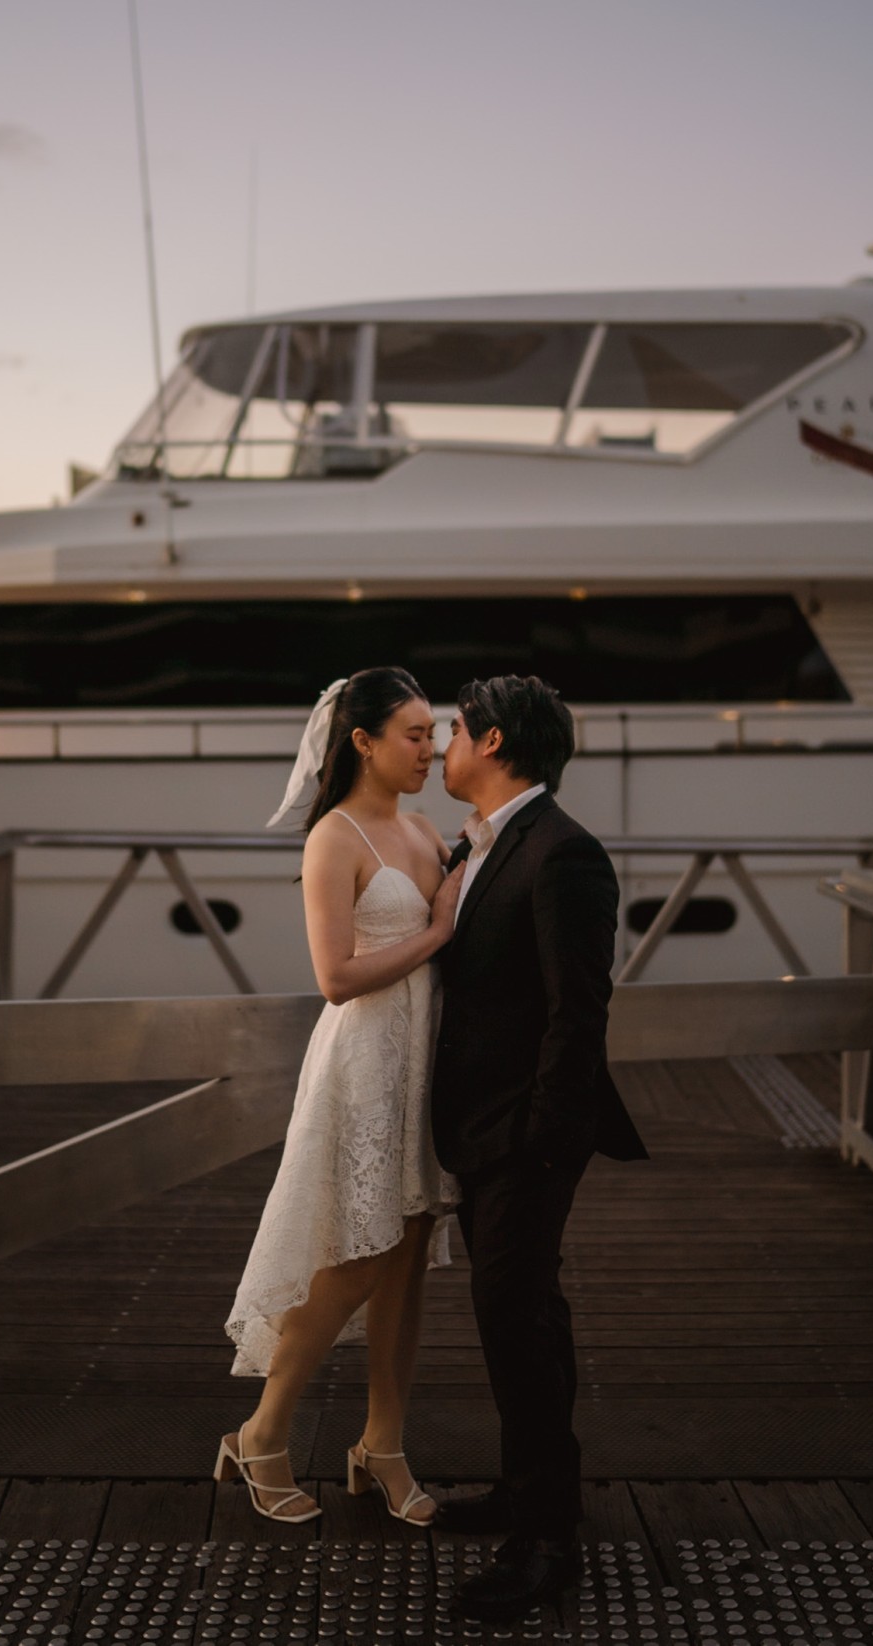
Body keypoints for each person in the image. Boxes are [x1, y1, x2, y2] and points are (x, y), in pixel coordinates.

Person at [220, 668, 464, 1525]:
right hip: (363, 1062)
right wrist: (438, 930)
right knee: (356, 1254)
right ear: (363, 741)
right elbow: (335, 977)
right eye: (414, 734)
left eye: (434, 733)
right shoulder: (334, 837)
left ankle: (382, 1445)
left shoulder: (425, 829)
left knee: (409, 1255)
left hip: (423, 1059)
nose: (431, 750)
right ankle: (263, 1432)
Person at [431, 674, 648, 1622]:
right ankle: (531, 1495)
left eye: (452, 731)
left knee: (513, 1321)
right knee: (525, 1319)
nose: (442, 748)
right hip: (482, 1128)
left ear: (490, 742)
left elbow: (579, 1010)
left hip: (525, 1137)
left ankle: (546, 1543)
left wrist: (544, 1144)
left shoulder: (564, 854)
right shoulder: (484, 843)